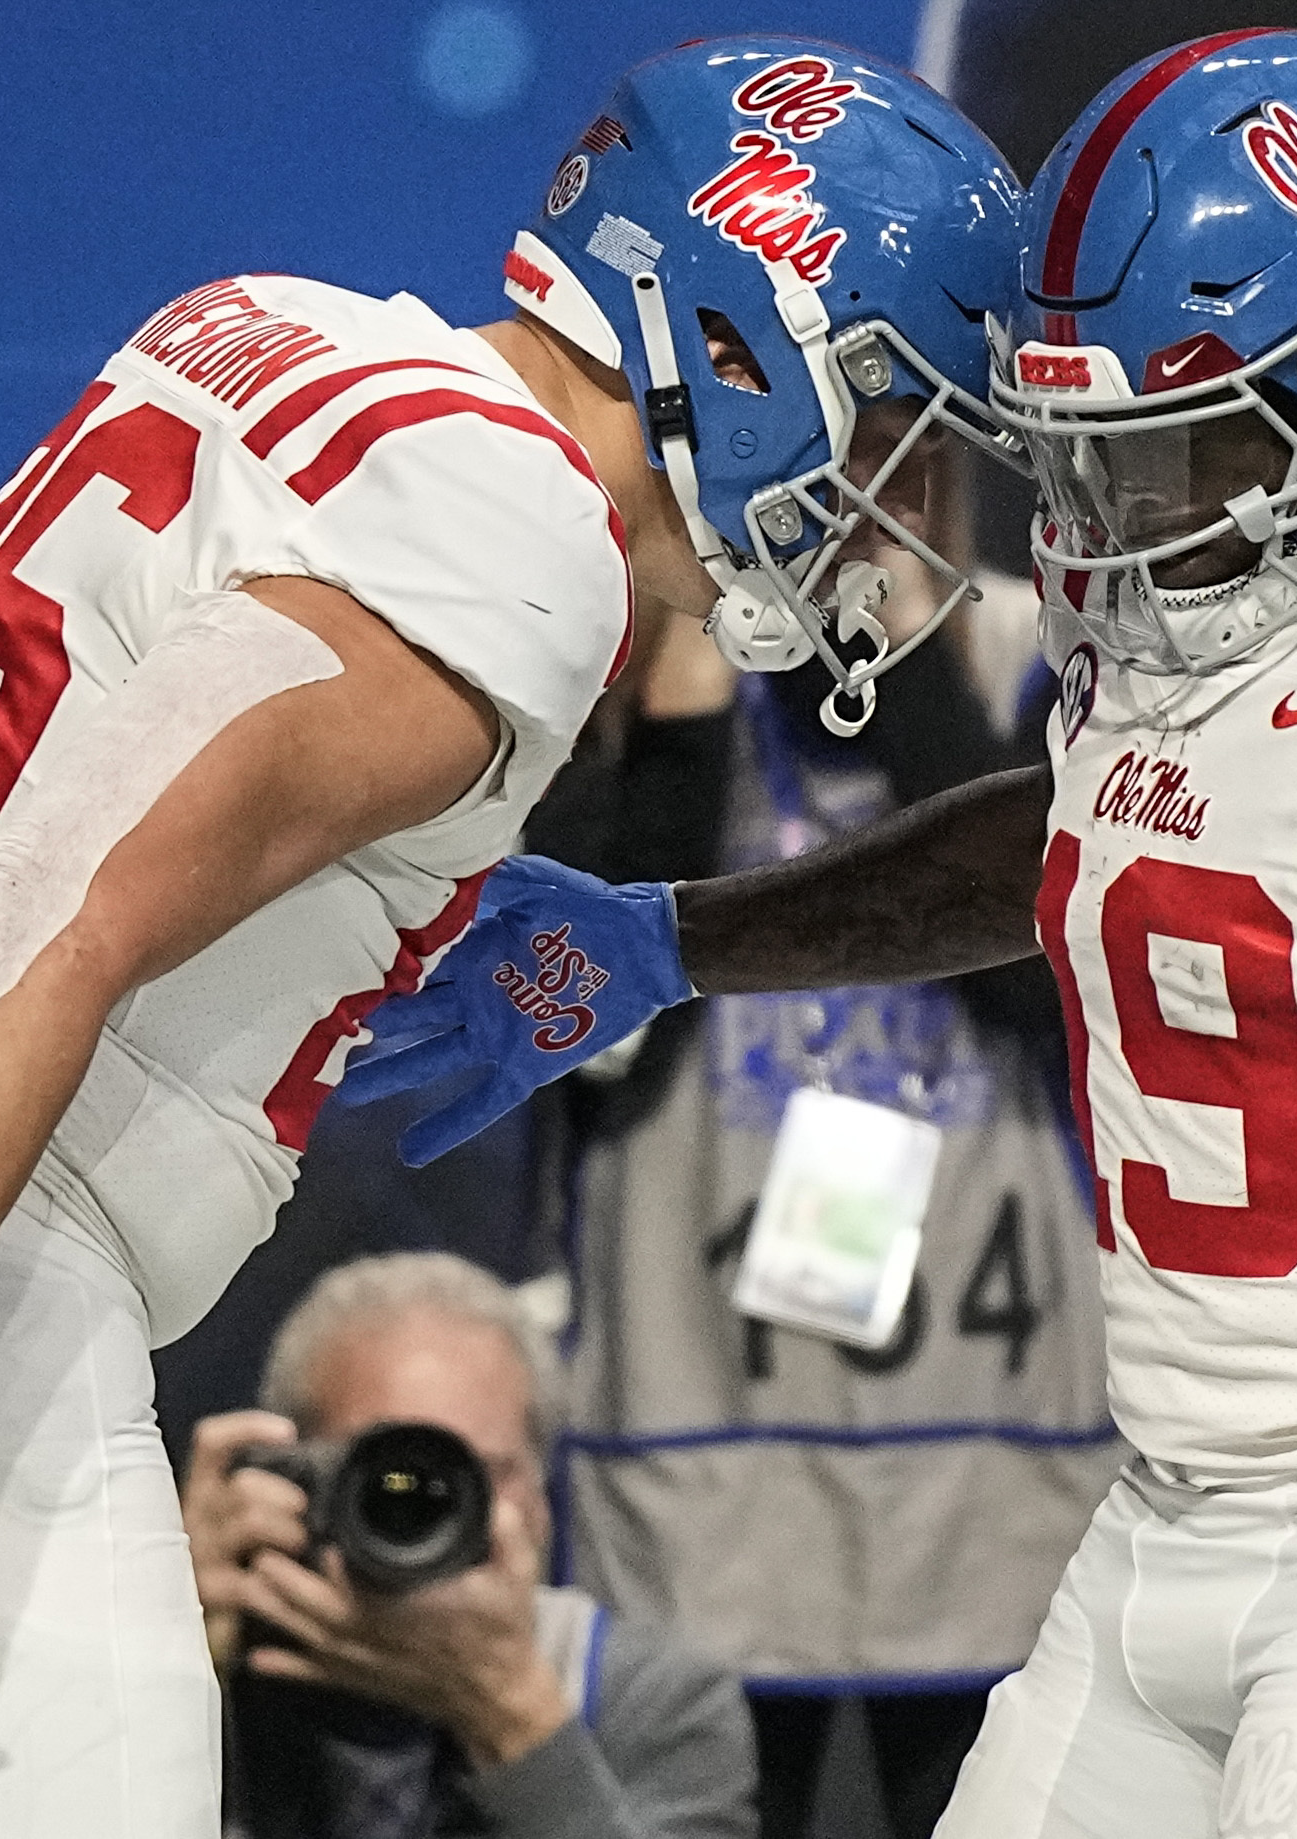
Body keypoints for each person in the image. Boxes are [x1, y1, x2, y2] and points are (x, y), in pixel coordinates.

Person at [340, 30, 1297, 1837]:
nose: (1115, 510)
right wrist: (676, 936)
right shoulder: (1186, 613)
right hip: (1157, 1508)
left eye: (1180, 438)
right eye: (1085, 445)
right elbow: (1073, 840)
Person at [0, 37, 1022, 1838]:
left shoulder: (276, 326)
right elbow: (43, 904)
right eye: (875, 401)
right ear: (729, 336)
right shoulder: (526, 539)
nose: (878, 477)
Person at [524, 564, 1115, 1839]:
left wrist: (908, 648)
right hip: (709, 1431)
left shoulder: (1028, 650)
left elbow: (1051, 976)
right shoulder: (610, 680)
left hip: (987, 1440)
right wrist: (680, 710)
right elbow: (593, 1046)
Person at [182, 1251, 755, 1839]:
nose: (423, 1503)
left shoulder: (648, 1698)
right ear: (288, 1471)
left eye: (476, 1471)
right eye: (384, 1468)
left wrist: (511, 1711)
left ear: (539, 1498)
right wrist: (164, 1658)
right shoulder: (212, 1658)